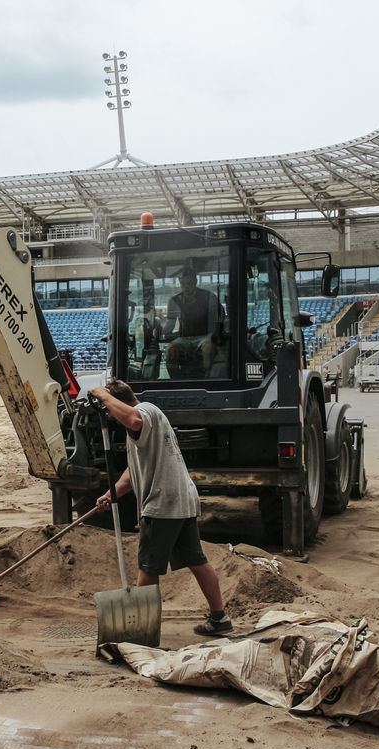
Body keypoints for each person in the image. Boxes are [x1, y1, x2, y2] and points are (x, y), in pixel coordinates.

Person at [89, 379, 233, 636]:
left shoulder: (146, 411)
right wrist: (111, 494)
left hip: (163, 502)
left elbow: (133, 420)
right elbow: (135, 472)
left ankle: (141, 629)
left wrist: (102, 394)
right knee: (196, 560)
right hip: (180, 499)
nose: (110, 415)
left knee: (148, 567)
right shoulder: (148, 425)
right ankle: (219, 618)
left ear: (118, 401)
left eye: (110, 409)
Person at [165, 268, 223, 377]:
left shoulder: (208, 297)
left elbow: (219, 317)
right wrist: (158, 330)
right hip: (184, 338)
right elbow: (170, 323)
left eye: (189, 283)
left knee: (208, 348)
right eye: (182, 284)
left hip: (204, 336)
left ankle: (207, 379)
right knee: (171, 350)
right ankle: (176, 383)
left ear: (195, 282)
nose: (186, 287)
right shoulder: (175, 300)